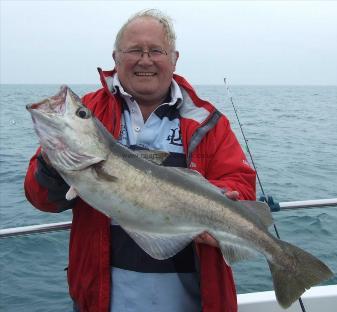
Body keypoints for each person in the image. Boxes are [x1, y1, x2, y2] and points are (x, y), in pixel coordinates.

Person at [24, 9, 256, 312]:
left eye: (155, 51)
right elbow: (40, 199)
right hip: (101, 301)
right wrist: (52, 163)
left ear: (174, 59)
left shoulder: (207, 122)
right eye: (134, 50)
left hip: (194, 303)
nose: (145, 60)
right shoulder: (92, 110)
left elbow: (241, 184)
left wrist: (217, 204)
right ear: (116, 58)